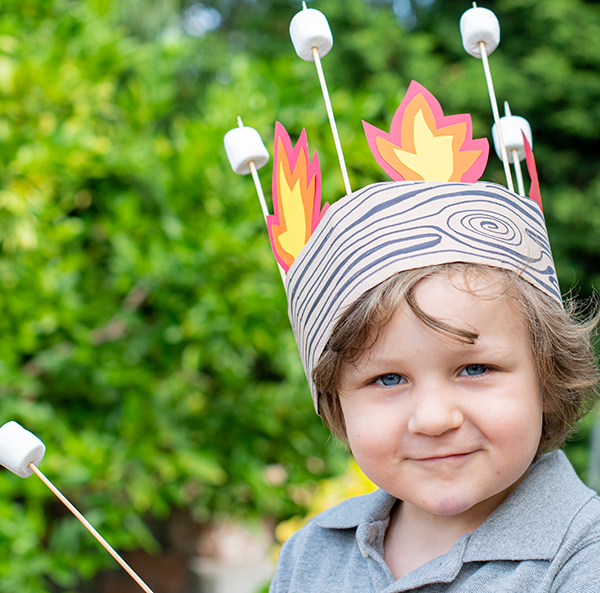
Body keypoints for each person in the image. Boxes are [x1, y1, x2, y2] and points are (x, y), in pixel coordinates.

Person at [267, 179, 600, 592]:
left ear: (548, 377)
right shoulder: (311, 555)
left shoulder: (585, 557)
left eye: (475, 369)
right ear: (336, 404)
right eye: (388, 378)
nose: (434, 419)